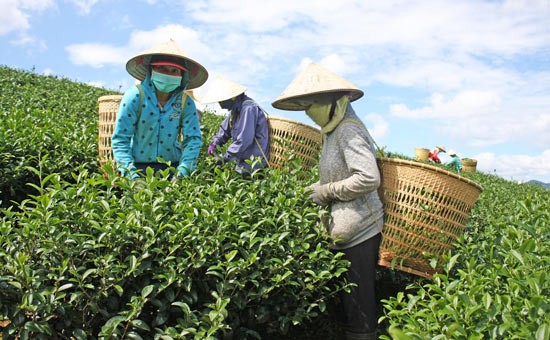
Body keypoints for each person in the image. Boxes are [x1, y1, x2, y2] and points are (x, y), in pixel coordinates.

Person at [272, 62, 383, 340]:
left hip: (363, 231)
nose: (310, 110)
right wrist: (309, 190)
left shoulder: (348, 130)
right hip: (343, 231)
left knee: (360, 304)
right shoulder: (331, 131)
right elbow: (335, 176)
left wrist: (326, 191)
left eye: (313, 103)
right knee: (346, 301)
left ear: (334, 102)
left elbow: (368, 178)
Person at [111, 39, 208, 179]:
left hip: (172, 168)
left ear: (182, 76)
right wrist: (131, 174)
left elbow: (193, 140)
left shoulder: (185, 103)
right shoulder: (136, 96)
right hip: (138, 167)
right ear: (151, 70)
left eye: (174, 70)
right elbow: (121, 139)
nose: (168, 74)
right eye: (162, 68)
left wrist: (183, 171)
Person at [192, 75, 270, 173]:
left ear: (232, 97)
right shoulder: (234, 111)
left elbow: (244, 140)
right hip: (243, 161)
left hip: (254, 165)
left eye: (221, 100)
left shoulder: (248, 109)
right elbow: (224, 131)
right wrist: (215, 143)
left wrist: (224, 158)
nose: (219, 104)